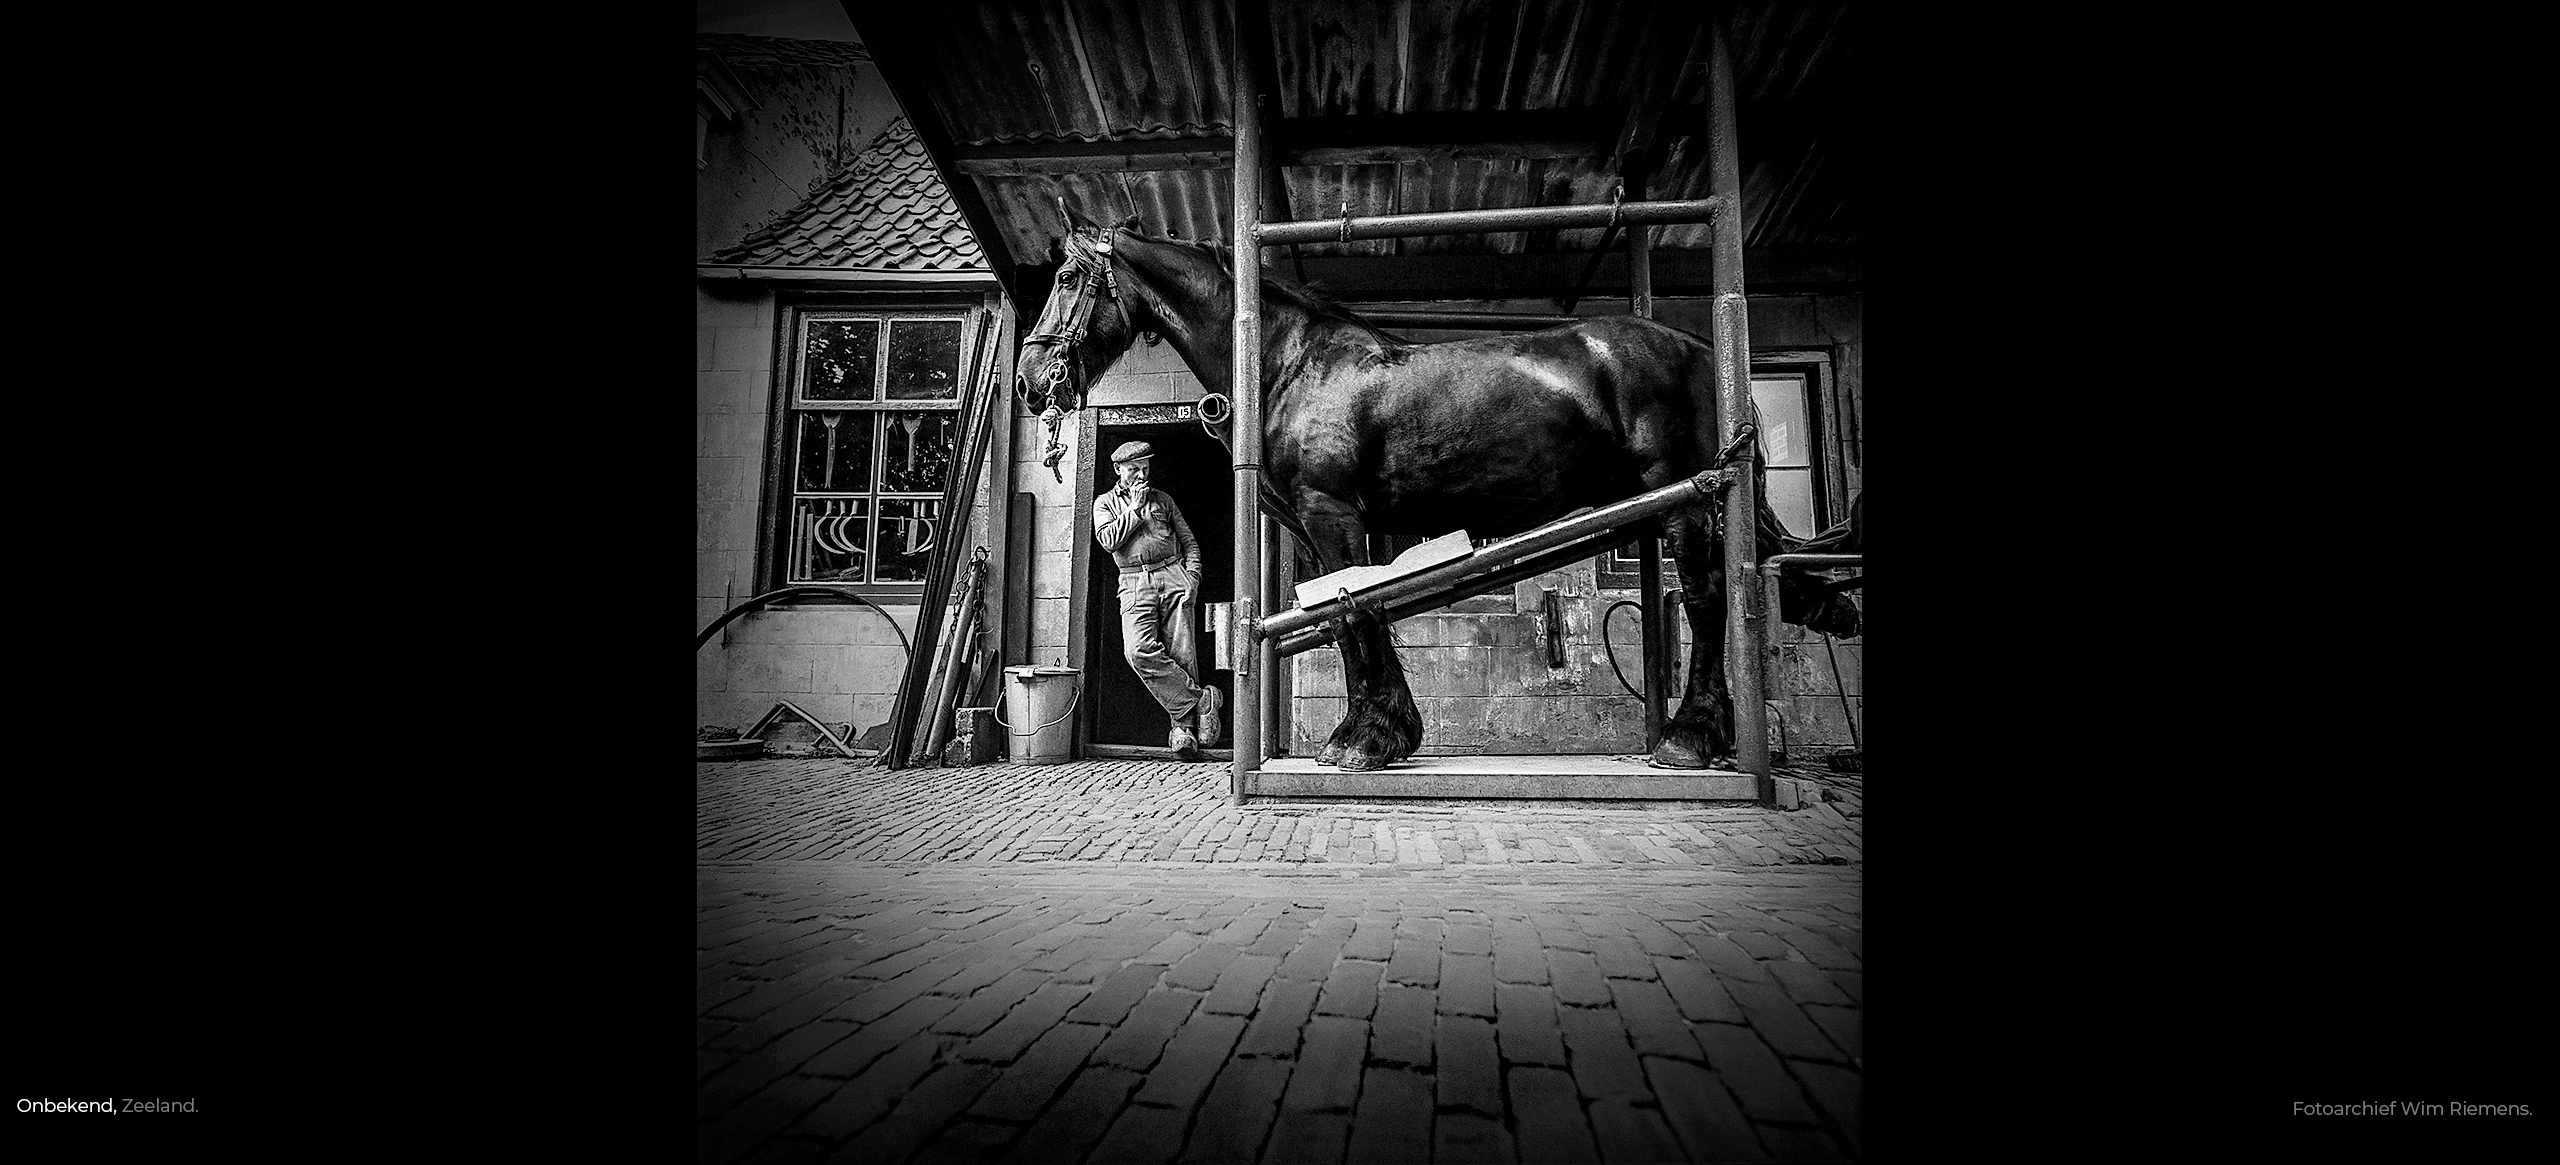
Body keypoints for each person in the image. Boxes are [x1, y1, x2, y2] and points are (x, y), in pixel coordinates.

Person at [1093, 441, 1223, 756]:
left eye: (1146, 469)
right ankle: (1202, 699)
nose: (1141, 476)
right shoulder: (1104, 504)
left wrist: (1192, 577)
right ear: (1118, 470)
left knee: (1182, 651)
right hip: (1134, 581)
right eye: (1134, 470)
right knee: (1138, 651)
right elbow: (1109, 541)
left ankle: (1183, 730)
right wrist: (1135, 509)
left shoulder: (1163, 500)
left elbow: (1189, 541)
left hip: (1173, 575)